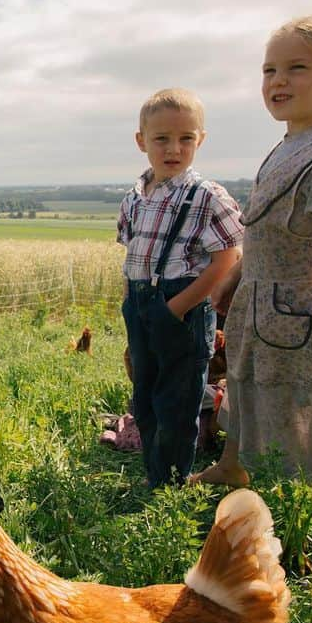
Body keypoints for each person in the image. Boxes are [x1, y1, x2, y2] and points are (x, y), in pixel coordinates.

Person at [192, 15, 312, 486]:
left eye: (296, 68)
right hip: (260, 302)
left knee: (302, 399)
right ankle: (233, 465)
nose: (278, 81)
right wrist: (236, 279)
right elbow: (263, 228)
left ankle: (307, 489)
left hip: (302, 312)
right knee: (247, 386)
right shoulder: (290, 144)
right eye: (269, 70)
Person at [117, 88, 243, 488]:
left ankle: (170, 485)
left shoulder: (207, 196)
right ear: (142, 141)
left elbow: (227, 260)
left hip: (183, 309)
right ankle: (154, 474)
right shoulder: (135, 198)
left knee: (177, 401)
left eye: (186, 138)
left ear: (200, 140)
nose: (174, 148)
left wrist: (177, 307)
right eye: (161, 139)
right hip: (140, 304)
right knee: (146, 395)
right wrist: (130, 302)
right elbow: (132, 254)